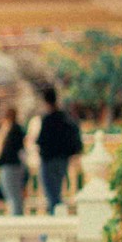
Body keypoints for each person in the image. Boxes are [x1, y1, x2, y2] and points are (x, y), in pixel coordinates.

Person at [33, 84, 83, 214]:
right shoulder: (65, 118)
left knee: (52, 194)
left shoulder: (48, 119)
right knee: (57, 191)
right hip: (62, 160)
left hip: (49, 161)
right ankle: (57, 216)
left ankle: (55, 218)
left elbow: (41, 141)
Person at [0, 105, 27, 216]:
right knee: (13, 196)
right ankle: (16, 216)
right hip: (13, 166)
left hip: (11, 166)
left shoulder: (13, 130)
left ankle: (16, 219)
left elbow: (7, 150)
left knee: (13, 196)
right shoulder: (14, 129)